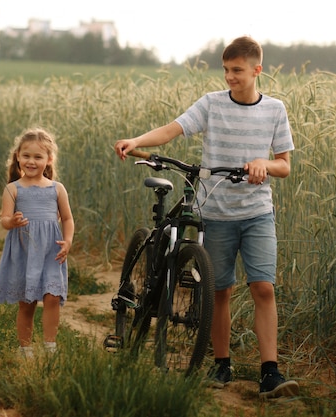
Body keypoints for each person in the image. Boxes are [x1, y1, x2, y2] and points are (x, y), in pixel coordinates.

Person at [114, 36, 299, 398]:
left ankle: (270, 373)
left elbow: (285, 166)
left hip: (257, 213)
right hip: (214, 213)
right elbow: (173, 129)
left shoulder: (275, 110)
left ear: (257, 70)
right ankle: (221, 364)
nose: (230, 77)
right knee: (220, 291)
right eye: (226, 70)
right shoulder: (211, 105)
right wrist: (137, 141)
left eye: (238, 71)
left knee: (263, 287)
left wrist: (265, 164)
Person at [0, 127, 74, 358]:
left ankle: (50, 347)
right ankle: (25, 349)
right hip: (25, 250)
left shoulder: (57, 189)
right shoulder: (13, 189)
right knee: (26, 302)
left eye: (38, 157)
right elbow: (4, 220)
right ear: (17, 156)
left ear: (49, 160)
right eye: (26, 155)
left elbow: (67, 218)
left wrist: (67, 241)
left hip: (52, 250)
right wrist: (13, 221)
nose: (31, 161)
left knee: (52, 297)